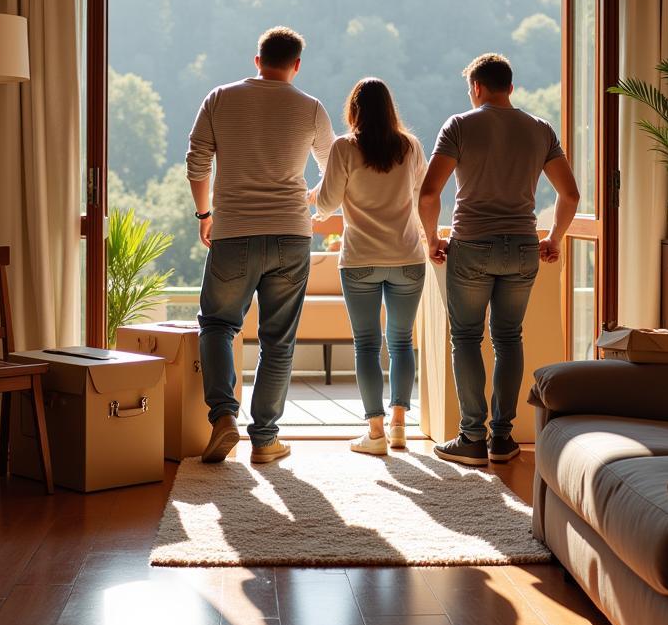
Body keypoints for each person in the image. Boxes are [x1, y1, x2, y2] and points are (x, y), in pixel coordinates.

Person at [418, 53, 579, 466]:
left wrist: (433, 237)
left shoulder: (459, 125)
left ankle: (471, 438)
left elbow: (429, 193)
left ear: (476, 88)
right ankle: (502, 441)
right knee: (509, 338)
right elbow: (571, 194)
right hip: (523, 245)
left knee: (467, 338)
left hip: (471, 244)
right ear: (511, 87)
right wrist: (554, 238)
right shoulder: (540, 129)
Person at [186, 27, 334, 465]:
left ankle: (223, 417)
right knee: (278, 340)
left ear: (257, 60)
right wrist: (311, 207)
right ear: (297, 65)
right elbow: (333, 169)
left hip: (234, 231)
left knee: (217, 324)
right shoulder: (310, 108)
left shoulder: (220, 98)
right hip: (291, 234)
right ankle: (266, 439)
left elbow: (197, 161)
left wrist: (204, 215)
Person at [311, 78, 428, 456]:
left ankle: (374, 432)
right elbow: (422, 195)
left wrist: (320, 196)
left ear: (354, 109)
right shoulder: (409, 146)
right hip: (408, 257)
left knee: (366, 345)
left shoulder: (345, 148)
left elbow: (326, 204)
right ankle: (399, 427)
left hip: (360, 259)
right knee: (401, 342)